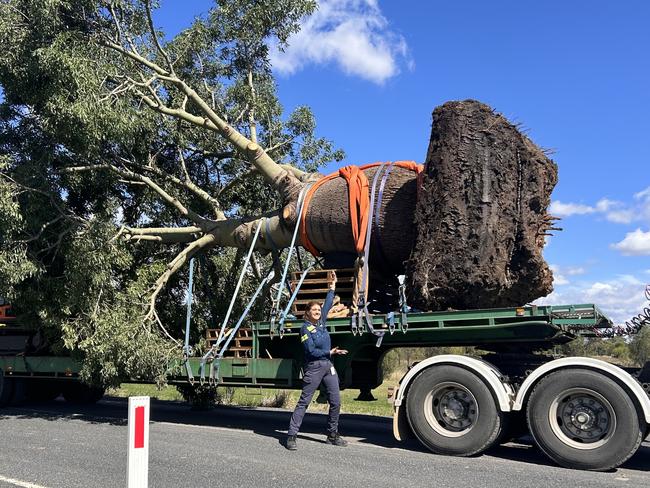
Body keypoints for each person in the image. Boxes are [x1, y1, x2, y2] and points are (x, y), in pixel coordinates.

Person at [286, 270, 348, 450]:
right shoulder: (305, 329)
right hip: (314, 367)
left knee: (336, 401)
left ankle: (332, 434)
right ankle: (291, 436)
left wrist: (332, 287)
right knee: (304, 401)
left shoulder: (322, 324)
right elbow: (311, 351)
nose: (317, 312)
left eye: (318, 310)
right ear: (307, 313)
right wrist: (330, 352)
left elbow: (328, 304)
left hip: (328, 366)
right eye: (314, 310)